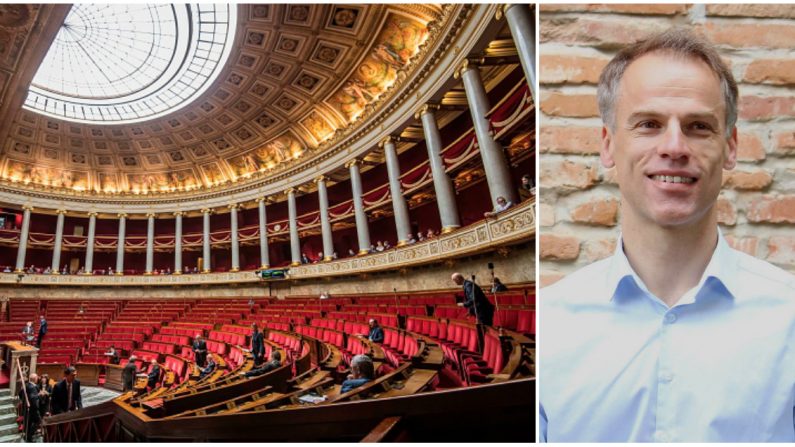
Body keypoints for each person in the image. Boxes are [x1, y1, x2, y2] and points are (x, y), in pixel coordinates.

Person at [540, 28, 795, 443]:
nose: (674, 146)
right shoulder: (552, 323)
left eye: (698, 126)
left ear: (730, 146)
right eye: (649, 124)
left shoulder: (789, 317)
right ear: (608, 145)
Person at [18, 373, 40, 442]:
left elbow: (20, 394)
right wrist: (39, 396)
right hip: (32, 409)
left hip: (26, 408)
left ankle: (27, 436)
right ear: (35, 379)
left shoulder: (26, 385)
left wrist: (24, 402)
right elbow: (33, 399)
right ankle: (30, 436)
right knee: (37, 421)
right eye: (37, 378)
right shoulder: (32, 387)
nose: (37, 379)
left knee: (28, 423)